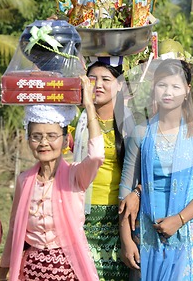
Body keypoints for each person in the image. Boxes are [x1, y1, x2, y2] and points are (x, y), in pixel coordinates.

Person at [119, 59, 193, 281]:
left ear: (186, 91)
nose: (168, 92)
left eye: (175, 86)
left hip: (189, 229)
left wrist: (179, 219)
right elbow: (125, 187)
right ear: (154, 88)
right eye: (162, 85)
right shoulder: (140, 133)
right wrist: (126, 239)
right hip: (146, 231)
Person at [0, 76, 104, 281]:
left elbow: (97, 155)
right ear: (29, 140)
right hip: (31, 271)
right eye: (36, 136)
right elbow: (15, 229)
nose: (44, 143)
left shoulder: (75, 176)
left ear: (65, 140)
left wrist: (89, 105)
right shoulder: (24, 180)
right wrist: (2, 274)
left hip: (68, 270)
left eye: (51, 136)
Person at [71, 57, 134, 279]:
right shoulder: (72, 123)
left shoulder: (131, 126)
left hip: (118, 217)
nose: (97, 85)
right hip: (80, 217)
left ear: (120, 85)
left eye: (105, 79)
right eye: (92, 79)